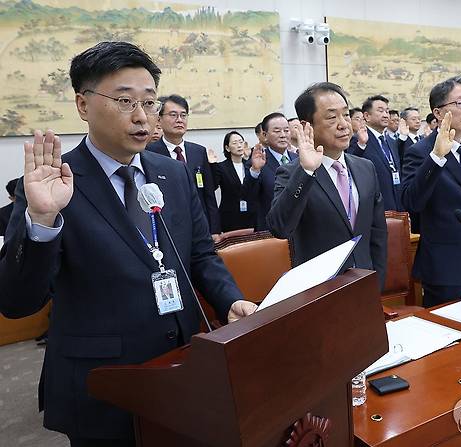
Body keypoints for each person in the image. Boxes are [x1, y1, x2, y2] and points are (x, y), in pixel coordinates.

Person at [0, 41, 257, 446]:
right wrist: (43, 220)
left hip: (182, 367)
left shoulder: (171, 173)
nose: (142, 117)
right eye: (124, 101)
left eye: (150, 103)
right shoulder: (52, 183)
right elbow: (16, 301)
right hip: (103, 383)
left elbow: (200, 256)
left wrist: (229, 300)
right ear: (83, 105)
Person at [267, 82, 387, 288]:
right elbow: (279, 227)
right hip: (319, 292)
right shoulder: (293, 173)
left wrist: (378, 282)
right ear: (307, 126)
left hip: (364, 285)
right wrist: (306, 172)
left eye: (346, 115)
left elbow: (377, 233)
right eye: (332, 117)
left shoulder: (365, 168)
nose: (344, 124)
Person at [401, 76, 461, 307]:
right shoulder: (421, 152)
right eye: (459, 103)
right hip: (447, 269)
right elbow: (411, 201)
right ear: (437, 113)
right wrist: (436, 158)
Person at [146, 94, 221, 240]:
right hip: (167, 228)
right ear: (159, 120)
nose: (179, 120)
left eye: (183, 115)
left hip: (200, 226)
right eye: (173, 115)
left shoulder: (198, 152)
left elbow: (209, 195)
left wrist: (215, 229)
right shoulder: (149, 153)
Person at [348, 95, 403, 211]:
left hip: (396, 204)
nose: (385, 115)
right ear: (367, 116)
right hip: (375, 207)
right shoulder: (359, 139)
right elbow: (351, 166)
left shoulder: (391, 141)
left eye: (387, 111)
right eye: (380, 110)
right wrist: (361, 145)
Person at [249, 112, 297, 230]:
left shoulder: (299, 159)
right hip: (271, 230)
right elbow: (249, 196)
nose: (283, 135)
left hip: (300, 227)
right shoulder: (257, 161)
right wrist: (255, 170)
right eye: (277, 131)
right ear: (265, 135)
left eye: (286, 130)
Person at [210, 131, 264, 232]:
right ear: (227, 148)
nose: (239, 145)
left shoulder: (252, 165)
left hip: (252, 216)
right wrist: (212, 166)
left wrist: (249, 159)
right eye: (234, 143)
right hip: (230, 217)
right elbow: (212, 186)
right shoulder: (221, 167)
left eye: (241, 142)